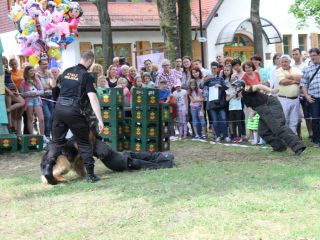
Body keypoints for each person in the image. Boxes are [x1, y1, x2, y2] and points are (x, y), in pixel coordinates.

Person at [44, 51, 104, 184]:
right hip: (74, 110)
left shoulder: (66, 71)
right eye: (92, 63)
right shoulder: (87, 76)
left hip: (59, 109)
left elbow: (55, 89)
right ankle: (91, 175)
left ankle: (48, 170)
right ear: (90, 61)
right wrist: (100, 119)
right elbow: (92, 98)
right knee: (84, 142)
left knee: (57, 141)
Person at [233, 80, 306, 155]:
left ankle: (298, 146)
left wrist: (271, 90)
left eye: (235, 88)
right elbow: (251, 110)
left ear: (240, 88)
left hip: (270, 105)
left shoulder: (247, 90)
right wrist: (251, 115)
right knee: (262, 131)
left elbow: (258, 86)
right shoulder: (244, 98)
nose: (234, 90)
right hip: (262, 110)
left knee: (278, 128)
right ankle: (279, 147)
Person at [204, 61, 230, 142]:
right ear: (211, 69)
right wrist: (203, 79)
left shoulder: (221, 78)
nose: (214, 70)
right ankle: (218, 136)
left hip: (221, 103)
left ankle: (226, 136)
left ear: (218, 69)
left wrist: (220, 86)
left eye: (215, 68)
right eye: (212, 69)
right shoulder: (208, 78)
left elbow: (226, 88)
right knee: (214, 120)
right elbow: (201, 86)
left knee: (223, 118)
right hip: (211, 104)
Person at [276, 55, 302, 135]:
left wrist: (290, 77)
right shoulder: (279, 71)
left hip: (295, 99)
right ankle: (285, 139)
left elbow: (301, 77)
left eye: (286, 61)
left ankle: (293, 139)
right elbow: (283, 82)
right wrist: (295, 81)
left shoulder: (295, 69)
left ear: (290, 62)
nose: (284, 63)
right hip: (284, 99)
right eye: (282, 62)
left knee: (294, 121)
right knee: (285, 120)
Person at [300, 48, 320, 147]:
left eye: (314, 55)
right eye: (311, 56)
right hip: (314, 98)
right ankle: (317, 140)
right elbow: (303, 84)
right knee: (315, 119)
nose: (312, 58)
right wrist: (307, 96)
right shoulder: (307, 69)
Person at [19, 66, 45, 138]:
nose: (32, 72)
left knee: (41, 118)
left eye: (33, 70)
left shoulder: (37, 80)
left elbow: (42, 91)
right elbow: (21, 93)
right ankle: (31, 136)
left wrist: (36, 93)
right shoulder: (23, 81)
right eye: (31, 71)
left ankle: (43, 136)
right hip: (29, 101)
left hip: (37, 100)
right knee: (30, 119)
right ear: (27, 72)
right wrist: (29, 93)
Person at [3, 57, 25, 134]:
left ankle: (8, 109)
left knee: (22, 102)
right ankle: (10, 127)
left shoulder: (7, 70)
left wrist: (16, 90)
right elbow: (2, 83)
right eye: (3, 62)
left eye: (6, 61)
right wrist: (9, 91)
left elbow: (11, 80)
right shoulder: (1, 70)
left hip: (13, 89)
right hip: (7, 91)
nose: (5, 63)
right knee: (10, 112)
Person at [37, 58, 54, 139]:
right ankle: (47, 136)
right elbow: (41, 87)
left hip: (50, 97)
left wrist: (48, 85)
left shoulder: (49, 73)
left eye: (46, 64)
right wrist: (48, 85)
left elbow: (53, 85)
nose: (46, 65)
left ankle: (51, 135)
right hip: (43, 98)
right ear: (40, 65)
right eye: (44, 64)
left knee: (52, 117)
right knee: (47, 116)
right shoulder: (37, 75)